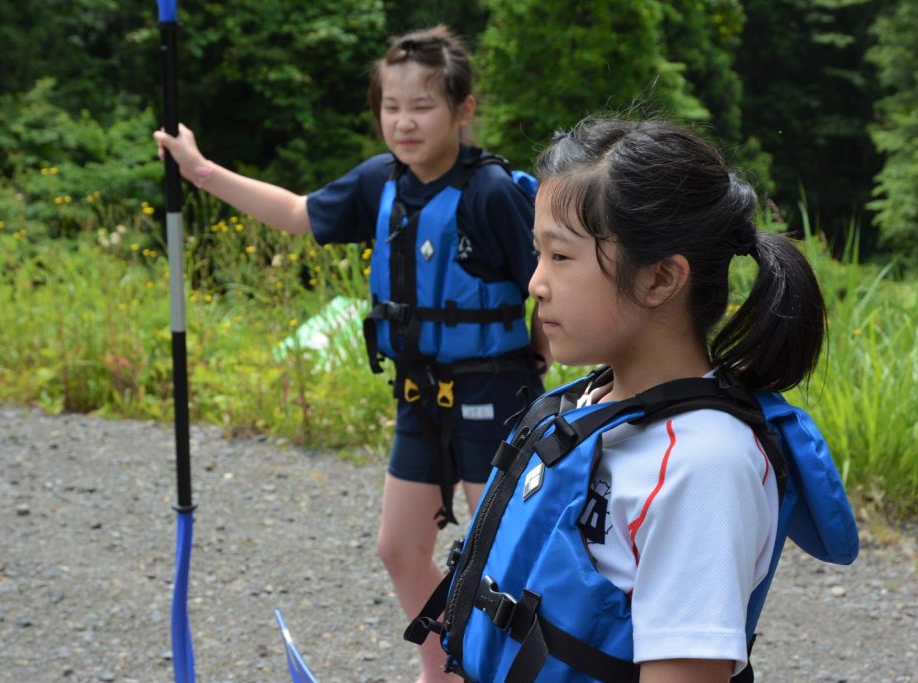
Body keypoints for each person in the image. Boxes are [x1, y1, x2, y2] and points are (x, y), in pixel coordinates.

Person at [154, 25, 550, 683]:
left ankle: (507, 669)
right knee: (399, 547)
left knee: (503, 558)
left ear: (464, 108)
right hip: (420, 395)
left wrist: (546, 351)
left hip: (495, 392)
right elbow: (298, 213)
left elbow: (549, 281)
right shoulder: (380, 182)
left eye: (422, 106)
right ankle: (444, 668)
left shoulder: (492, 192)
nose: (404, 121)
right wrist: (200, 171)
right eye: (391, 107)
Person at [425, 116, 828, 682]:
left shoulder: (704, 466)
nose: (535, 283)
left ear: (660, 279)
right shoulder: (590, 402)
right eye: (536, 255)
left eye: (560, 257)